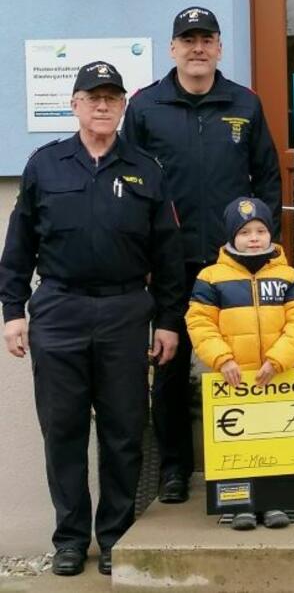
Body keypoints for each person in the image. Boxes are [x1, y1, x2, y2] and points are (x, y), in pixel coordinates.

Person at [0, 62, 184, 576]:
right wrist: (13, 311)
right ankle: (71, 539)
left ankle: (116, 534)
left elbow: (168, 256)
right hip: (59, 309)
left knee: (124, 429)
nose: (102, 105)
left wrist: (169, 320)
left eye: (112, 97)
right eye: (92, 97)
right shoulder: (45, 165)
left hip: (126, 311)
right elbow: (18, 247)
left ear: (124, 105)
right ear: (75, 104)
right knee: (63, 429)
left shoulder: (147, 169)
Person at [122, 6, 281, 503]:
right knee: (170, 367)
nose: (197, 48)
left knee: (248, 358)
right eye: (187, 39)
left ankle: (252, 464)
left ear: (218, 47)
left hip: (235, 265)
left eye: (206, 39)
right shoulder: (146, 107)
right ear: (172, 48)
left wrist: (259, 244)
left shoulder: (245, 104)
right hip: (170, 265)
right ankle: (175, 468)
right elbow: (127, 182)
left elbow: (269, 179)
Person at [186, 197, 294, 530]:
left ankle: (272, 501)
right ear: (231, 236)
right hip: (234, 380)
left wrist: (278, 359)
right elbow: (200, 323)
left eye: (260, 230)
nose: (254, 238)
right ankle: (240, 503)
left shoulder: (287, 277)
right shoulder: (210, 278)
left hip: (275, 377)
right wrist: (222, 358)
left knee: (274, 440)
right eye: (245, 232)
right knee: (238, 443)